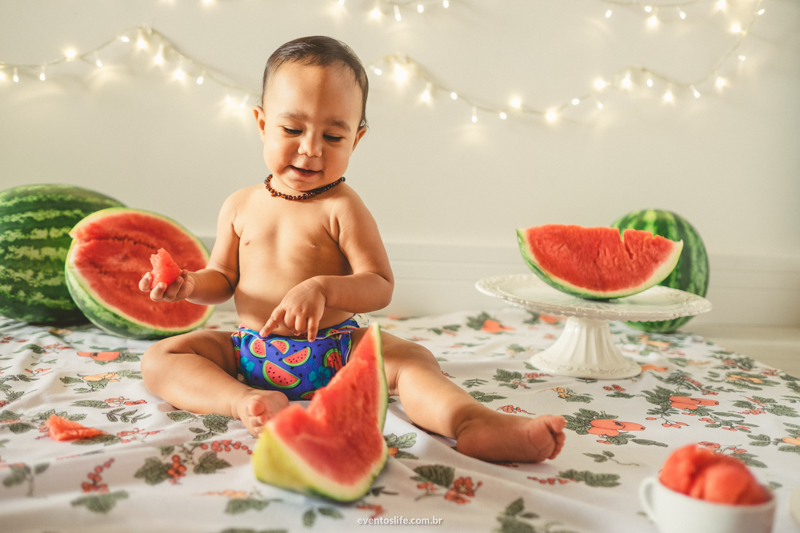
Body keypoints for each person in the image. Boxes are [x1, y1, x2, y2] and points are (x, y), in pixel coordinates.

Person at [139, 36, 566, 463]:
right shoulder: (239, 204)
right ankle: (243, 401)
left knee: (412, 359)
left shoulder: (343, 207)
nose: (310, 148)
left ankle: (470, 422)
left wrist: (324, 288)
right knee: (161, 357)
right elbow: (224, 280)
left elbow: (379, 286)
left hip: (339, 351)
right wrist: (191, 283)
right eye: (292, 129)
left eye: (333, 135)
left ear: (356, 139)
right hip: (250, 348)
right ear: (261, 122)